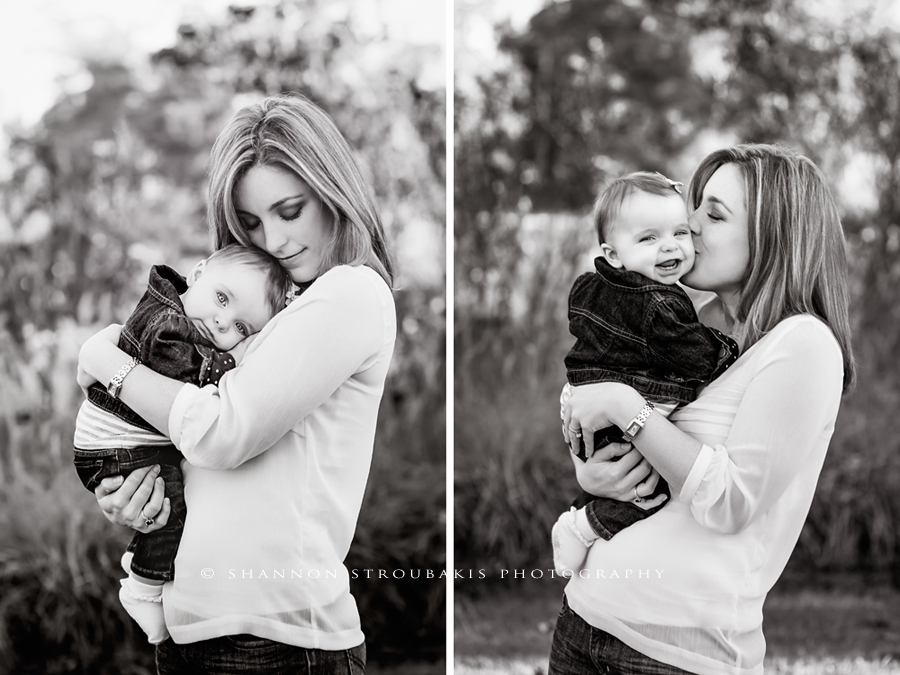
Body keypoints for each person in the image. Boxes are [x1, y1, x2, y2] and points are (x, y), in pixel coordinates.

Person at [77, 93, 397, 674]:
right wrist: (132, 485)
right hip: (188, 630)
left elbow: (223, 432)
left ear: (332, 189)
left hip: (277, 640)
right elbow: (189, 437)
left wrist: (106, 361)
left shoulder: (352, 293)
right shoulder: (260, 312)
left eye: (289, 210)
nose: (273, 240)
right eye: (250, 222)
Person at [550, 144, 855, 675]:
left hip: (676, 655)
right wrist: (591, 468)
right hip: (584, 617)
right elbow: (590, 393)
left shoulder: (803, 345)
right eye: (694, 207)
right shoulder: (685, 321)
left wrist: (628, 409)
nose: (688, 227)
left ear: (771, 236)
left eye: (713, 214)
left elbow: (732, 501)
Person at [73, 244, 293, 644]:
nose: (223, 322)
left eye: (242, 327)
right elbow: (192, 370)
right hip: (117, 445)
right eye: (222, 298)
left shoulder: (178, 315)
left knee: (165, 503)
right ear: (198, 272)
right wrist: (242, 354)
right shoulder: (166, 325)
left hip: (122, 441)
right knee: (169, 507)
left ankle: (142, 559)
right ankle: (140, 589)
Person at [551, 172, 738, 578]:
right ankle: (582, 526)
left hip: (582, 402)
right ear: (614, 254)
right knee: (650, 489)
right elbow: (700, 359)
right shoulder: (659, 305)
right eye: (648, 238)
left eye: (679, 232)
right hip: (626, 405)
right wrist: (730, 348)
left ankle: (583, 518)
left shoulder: (590, 286)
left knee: (616, 473)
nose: (669, 245)